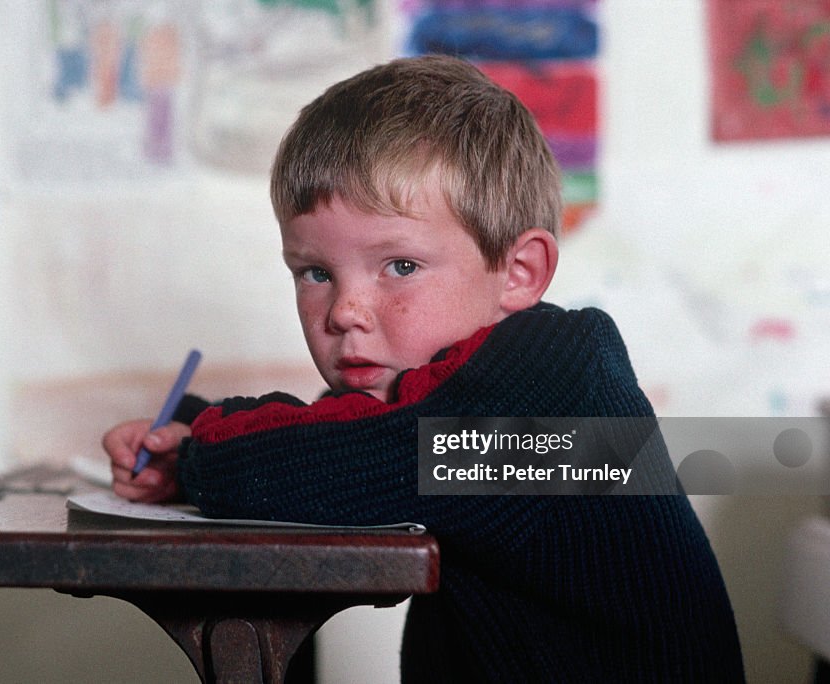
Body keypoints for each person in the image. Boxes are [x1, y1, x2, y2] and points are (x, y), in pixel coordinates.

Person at [104, 55, 744, 681]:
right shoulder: (484, 385)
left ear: (519, 273)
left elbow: (343, 459)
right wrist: (191, 437)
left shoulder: (553, 392)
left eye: (401, 266)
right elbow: (345, 436)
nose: (345, 312)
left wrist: (197, 455)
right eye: (315, 273)